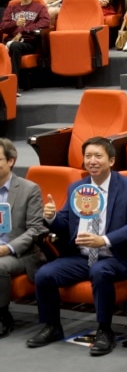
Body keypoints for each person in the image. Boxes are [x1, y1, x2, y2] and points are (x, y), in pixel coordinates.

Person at [25, 137, 127, 356]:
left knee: (100, 271)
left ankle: (104, 330)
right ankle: (52, 326)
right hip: (81, 256)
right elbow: (64, 224)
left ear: (111, 160)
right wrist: (51, 218)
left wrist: (105, 240)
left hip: (114, 256)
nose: (92, 161)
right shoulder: (77, 188)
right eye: (88, 156)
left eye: (98, 156)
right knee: (44, 274)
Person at [0, 138, 45, 337]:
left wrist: (7, 249)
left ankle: (2, 316)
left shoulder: (29, 189)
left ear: (10, 161)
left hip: (19, 252)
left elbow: (35, 230)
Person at [0, 0, 50, 91]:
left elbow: (45, 22)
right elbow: (3, 25)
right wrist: (15, 23)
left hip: (29, 42)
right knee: (11, 45)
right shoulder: (12, 7)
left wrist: (23, 30)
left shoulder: (39, 7)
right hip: (11, 40)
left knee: (14, 46)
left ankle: (13, 86)